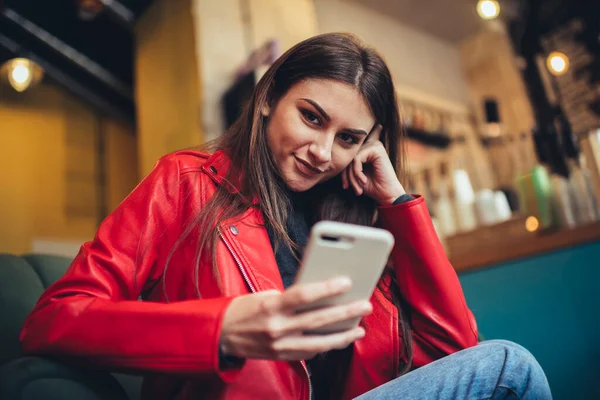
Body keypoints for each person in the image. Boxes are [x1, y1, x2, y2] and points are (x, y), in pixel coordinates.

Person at [20, 33, 552, 400]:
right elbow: (52, 321)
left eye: (347, 138)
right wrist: (221, 330)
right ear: (270, 96)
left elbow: (453, 350)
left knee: (496, 366)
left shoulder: (356, 225)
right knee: (509, 365)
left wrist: (399, 207)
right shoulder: (185, 182)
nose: (323, 152)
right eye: (312, 117)